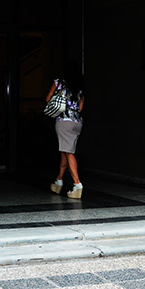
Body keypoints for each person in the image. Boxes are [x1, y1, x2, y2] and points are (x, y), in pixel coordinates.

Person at [46, 61, 85, 199]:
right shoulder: (80, 86)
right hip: (77, 122)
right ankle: (59, 181)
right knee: (65, 151)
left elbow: (48, 99)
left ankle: (77, 184)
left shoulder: (59, 83)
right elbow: (80, 107)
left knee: (68, 153)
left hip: (64, 121)